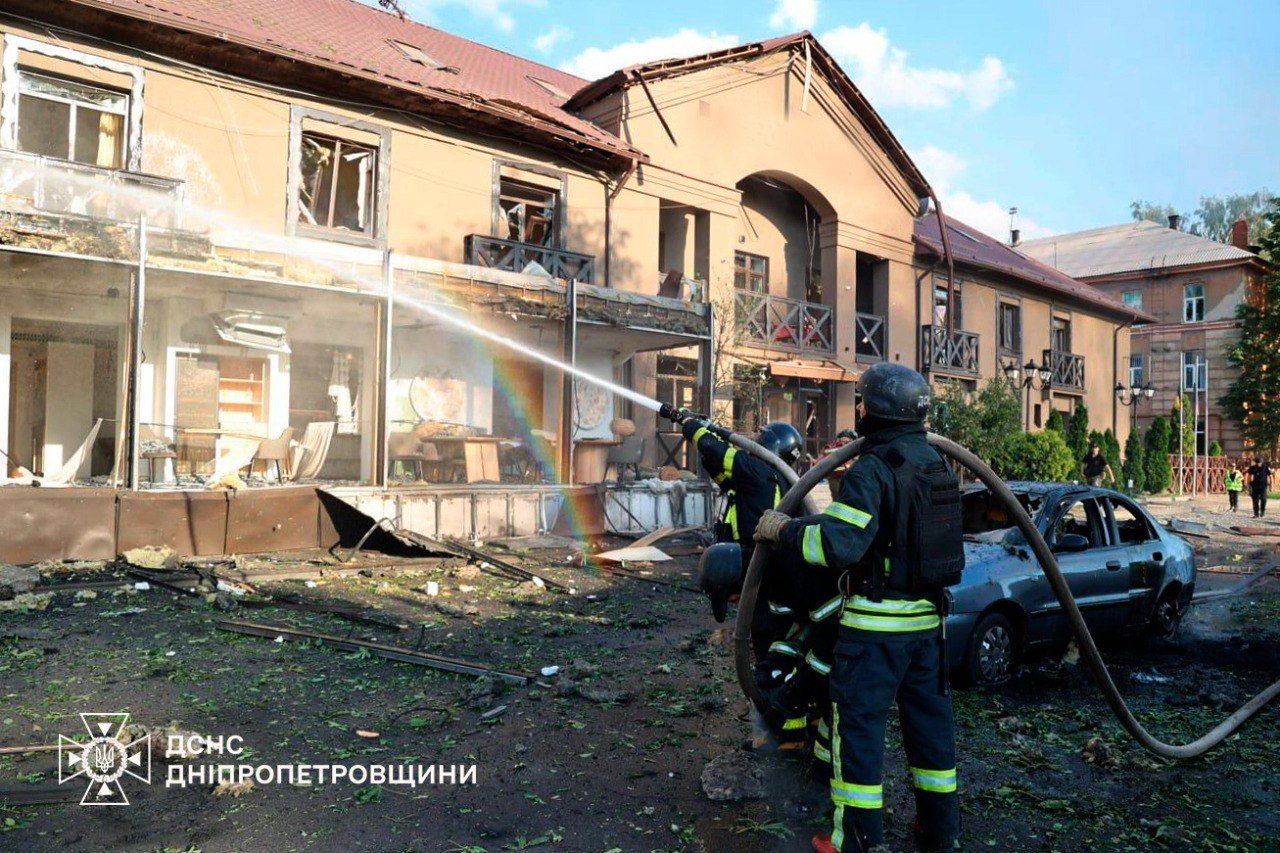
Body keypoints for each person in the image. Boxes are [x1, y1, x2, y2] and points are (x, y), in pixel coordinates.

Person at [755, 363, 965, 853]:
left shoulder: (874, 467)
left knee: (859, 735)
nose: (859, 409)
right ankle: (940, 834)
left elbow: (838, 544)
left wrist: (786, 531)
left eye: (862, 402)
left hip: (875, 631)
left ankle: (855, 842)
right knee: (931, 733)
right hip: (929, 629)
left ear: (877, 409)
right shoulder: (936, 463)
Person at [663, 408, 803, 682]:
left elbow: (718, 452)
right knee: (771, 629)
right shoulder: (775, 478)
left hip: (760, 567)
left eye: (760, 438)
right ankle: (775, 678)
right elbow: (720, 469)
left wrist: (693, 427)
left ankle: (772, 689)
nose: (755, 441)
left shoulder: (758, 470)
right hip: (772, 568)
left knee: (765, 632)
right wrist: (708, 434)